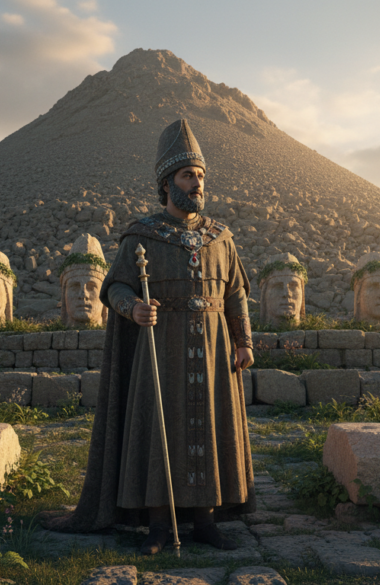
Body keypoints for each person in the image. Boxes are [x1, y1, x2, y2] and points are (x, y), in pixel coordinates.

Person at [48, 119, 255, 555]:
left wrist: (244, 343)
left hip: (215, 354)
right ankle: (158, 526)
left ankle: (206, 522)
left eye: (200, 175)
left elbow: (236, 292)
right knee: (162, 431)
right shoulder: (142, 235)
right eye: (187, 175)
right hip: (160, 352)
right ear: (167, 183)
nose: (196, 183)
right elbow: (116, 286)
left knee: (210, 431)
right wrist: (133, 308)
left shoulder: (222, 238)